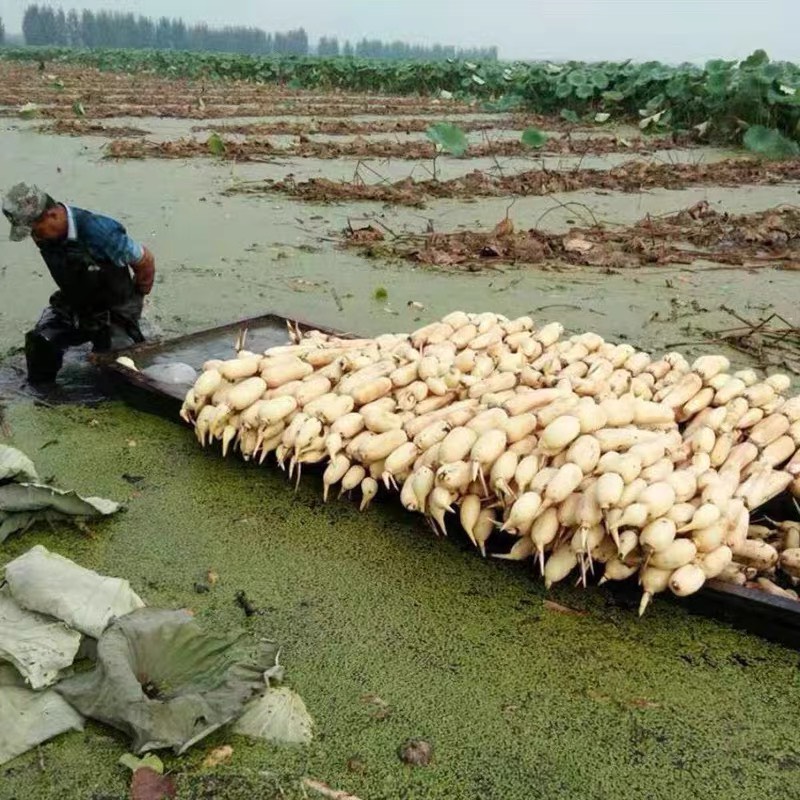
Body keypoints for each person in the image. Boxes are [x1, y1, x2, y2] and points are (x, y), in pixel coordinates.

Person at [2, 183, 156, 385]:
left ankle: (125, 337)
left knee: (117, 373)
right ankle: (43, 397)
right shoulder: (44, 234)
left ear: (53, 216)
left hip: (114, 308)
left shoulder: (100, 231)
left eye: (34, 230)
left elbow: (145, 261)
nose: (34, 236)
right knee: (41, 343)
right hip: (74, 303)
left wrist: (135, 302)